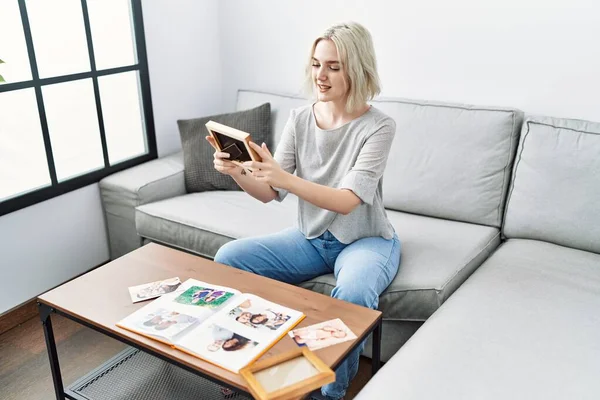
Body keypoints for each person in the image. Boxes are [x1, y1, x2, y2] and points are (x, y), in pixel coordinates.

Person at [209, 21, 401, 400]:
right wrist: (238, 172)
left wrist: (283, 177)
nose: (321, 76)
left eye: (333, 66)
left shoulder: (379, 127)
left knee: (355, 292)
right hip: (312, 238)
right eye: (316, 64)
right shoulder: (300, 118)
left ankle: (329, 394)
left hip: (365, 240)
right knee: (228, 257)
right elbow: (268, 192)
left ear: (358, 69)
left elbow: (347, 200)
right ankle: (241, 364)